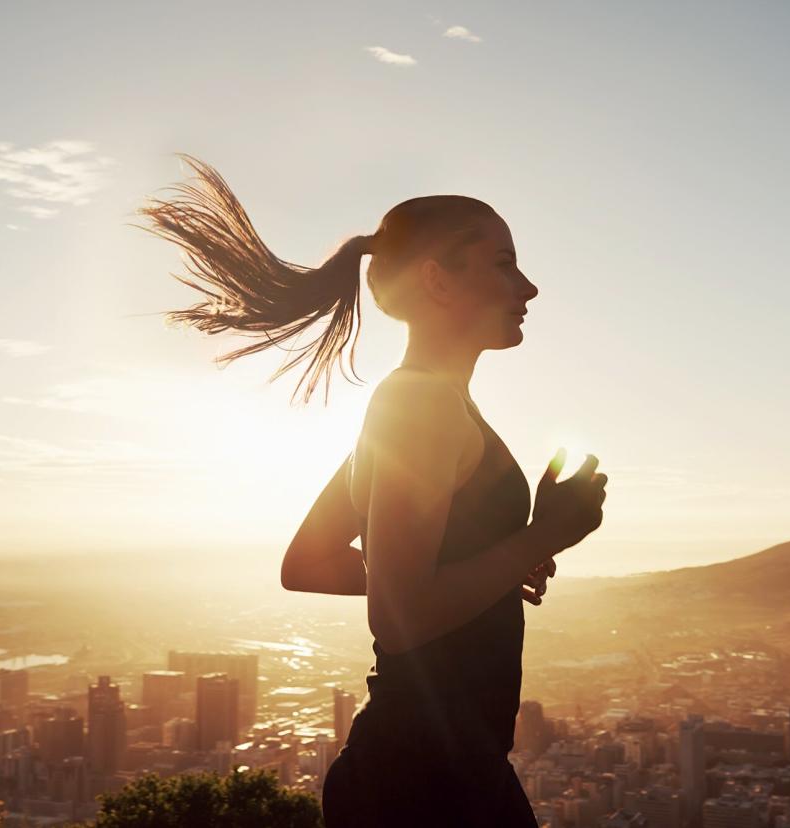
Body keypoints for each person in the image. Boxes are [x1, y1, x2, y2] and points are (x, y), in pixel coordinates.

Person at [138, 154, 608, 826]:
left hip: (427, 771)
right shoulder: (422, 410)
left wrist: (492, 568)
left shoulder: (416, 405)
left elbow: (310, 562)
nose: (528, 287)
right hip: (427, 783)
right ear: (437, 281)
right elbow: (399, 612)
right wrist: (541, 535)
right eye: (504, 262)